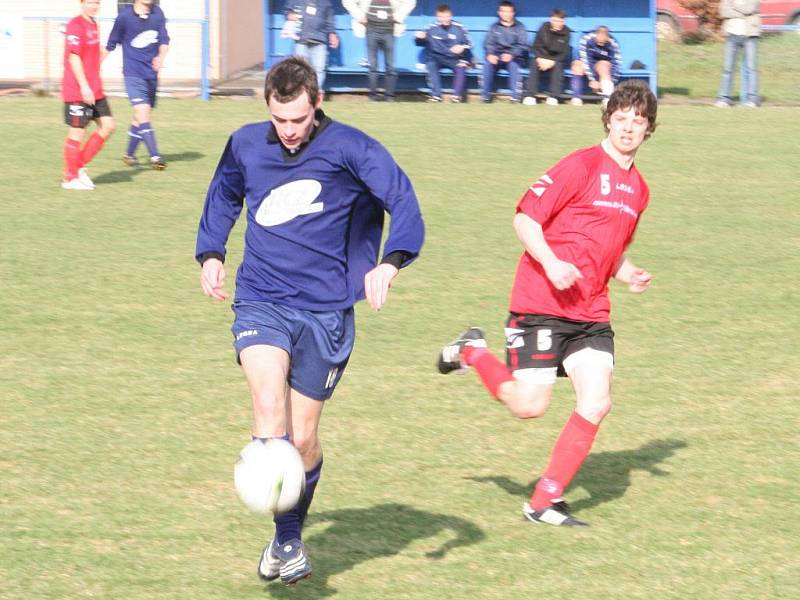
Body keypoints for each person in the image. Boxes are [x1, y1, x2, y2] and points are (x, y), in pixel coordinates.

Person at [195, 57, 425, 585]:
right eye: (281, 121)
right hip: (262, 300)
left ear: (317, 105)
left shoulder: (352, 149)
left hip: (326, 312)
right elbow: (225, 193)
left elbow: (402, 198)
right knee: (268, 409)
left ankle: (282, 539)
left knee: (302, 442)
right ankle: (291, 541)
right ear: (269, 110)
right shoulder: (247, 144)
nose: (290, 131)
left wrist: (391, 262)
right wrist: (211, 252)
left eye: (299, 119)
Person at [438, 80, 658, 528]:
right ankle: (472, 352)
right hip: (541, 303)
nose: (628, 128)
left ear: (649, 128)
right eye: (621, 118)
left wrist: (627, 270)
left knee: (596, 402)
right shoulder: (579, 166)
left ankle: (542, 502)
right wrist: (553, 263)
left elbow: (607, 249)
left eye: (638, 121)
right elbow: (525, 218)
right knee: (528, 406)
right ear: (608, 119)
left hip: (592, 313)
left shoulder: (640, 191)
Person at [106, 0, 169, 170]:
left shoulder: (158, 13)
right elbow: (111, 44)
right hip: (133, 74)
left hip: (151, 75)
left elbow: (164, 40)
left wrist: (160, 58)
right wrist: (92, 67)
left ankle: (129, 154)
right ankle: (155, 157)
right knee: (143, 113)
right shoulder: (125, 17)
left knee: (140, 117)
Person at [60, 0, 115, 190]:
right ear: (81, 3)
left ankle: (77, 167)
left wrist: (109, 50)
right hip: (78, 89)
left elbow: (93, 56)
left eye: (97, 2)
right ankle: (70, 178)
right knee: (78, 132)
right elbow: (73, 56)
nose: (94, 5)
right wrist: (84, 86)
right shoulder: (75, 25)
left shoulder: (94, 24)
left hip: (95, 88)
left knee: (108, 126)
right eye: (90, 2)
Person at [343, 0, 417, 101]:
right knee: (373, 66)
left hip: (390, 30)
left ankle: (389, 96)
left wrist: (399, 16)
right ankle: (373, 95)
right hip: (371, 30)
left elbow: (411, 2)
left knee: (390, 66)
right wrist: (359, 16)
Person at [415, 4, 473, 103]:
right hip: (437, 57)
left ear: (451, 16)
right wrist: (419, 37)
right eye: (441, 17)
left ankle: (456, 97)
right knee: (431, 64)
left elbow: (470, 44)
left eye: (446, 16)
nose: (444, 19)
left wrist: (462, 47)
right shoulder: (431, 28)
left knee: (461, 66)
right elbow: (419, 42)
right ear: (437, 17)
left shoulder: (459, 27)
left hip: (454, 58)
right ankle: (436, 95)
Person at [284, 1, 339, 91]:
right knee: (301, 69)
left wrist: (332, 34)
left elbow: (330, 20)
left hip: (319, 40)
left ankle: (315, 93)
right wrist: (289, 15)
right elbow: (287, 11)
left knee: (319, 69)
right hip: (301, 40)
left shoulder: (326, 2)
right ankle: (303, 93)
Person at [481, 1, 529, 103]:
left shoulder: (520, 27)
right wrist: (490, 54)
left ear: (513, 13)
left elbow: (523, 45)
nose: (506, 14)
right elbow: (488, 43)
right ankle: (486, 97)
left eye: (509, 12)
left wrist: (512, 54)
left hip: (515, 57)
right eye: (503, 11)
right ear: (499, 12)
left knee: (513, 66)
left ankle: (515, 97)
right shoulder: (494, 27)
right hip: (497, 56)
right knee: (487, 64)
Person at [715, 0, 760, 108]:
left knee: (751, 69)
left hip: (749, 35)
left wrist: (734, 6)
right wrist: (742, 12)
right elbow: (723, 12)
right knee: (728, 69)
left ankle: (752, 100)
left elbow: (749, 9)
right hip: (731, 35)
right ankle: (724, 99)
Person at [523, 8, 571, 106]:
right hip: (541, 58)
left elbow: (564, 52)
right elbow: (535, 46)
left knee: (558, 66)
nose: (558, 23)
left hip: (555, 60)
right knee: (533, 63)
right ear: (551, 20)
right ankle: (530, 95)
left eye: (560, 21)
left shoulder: (567, 32)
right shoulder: (543, 27)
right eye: (556, 20)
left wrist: (552, 61)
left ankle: (553, 97)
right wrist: (540, 59)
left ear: (563, 21)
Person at [570, 25, 622, 106]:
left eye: (603, 41)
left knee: (603, 65)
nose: (601, 43)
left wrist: (611, 81)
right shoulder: (586, 39)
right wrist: (593, 80)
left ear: (607, 37)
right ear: (596, 35)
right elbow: (585, 60)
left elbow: (617, 65)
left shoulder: (613, 43)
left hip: (603, 70)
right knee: (577, 65)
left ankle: (607, 98)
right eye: (599, 41)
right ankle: (576, 97)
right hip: (588, 66)